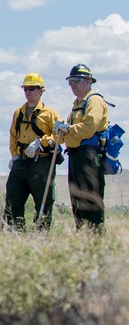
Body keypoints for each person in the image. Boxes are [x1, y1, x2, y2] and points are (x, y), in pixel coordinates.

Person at [54, 64, 109, 231]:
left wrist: (68, 129)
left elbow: (89, 127)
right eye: (70, 81)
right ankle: (82, 234)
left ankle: (95, 236)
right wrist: (61, 131)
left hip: (89, 157)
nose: (73, 85)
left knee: (90, 199)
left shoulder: (94, 100)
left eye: (76, 81)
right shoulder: (77, 104)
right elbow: (71, 132)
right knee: (77, 199)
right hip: (76, 156)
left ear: (88, 81)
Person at [5, 73, 61, 230]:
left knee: (43, 201)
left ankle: (41, 234)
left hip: (41, 162)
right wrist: (15, 155)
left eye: (32, 88)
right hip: (21, 161)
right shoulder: (18, 113)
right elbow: (13, 135)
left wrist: (40, 142)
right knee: (12, 198)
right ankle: (16, 232)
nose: (28, 92)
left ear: (41, 91)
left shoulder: (50, 113)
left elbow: (60, 136)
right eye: (25, 89)